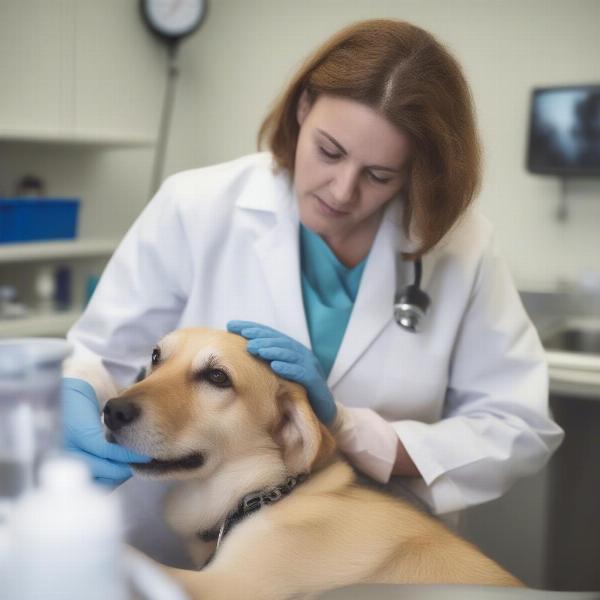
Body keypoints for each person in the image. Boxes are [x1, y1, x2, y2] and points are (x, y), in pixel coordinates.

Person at [62, 18, 563, 517]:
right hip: (182, 533)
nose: (342, 191)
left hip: (368, 550)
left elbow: (517, 425)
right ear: (303, 108)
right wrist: (77, 390)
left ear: (416, 171)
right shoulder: (196, 205)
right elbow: (102, 354)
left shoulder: (461, 246)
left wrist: (351, 429)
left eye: (379, 174)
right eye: (329, 151)